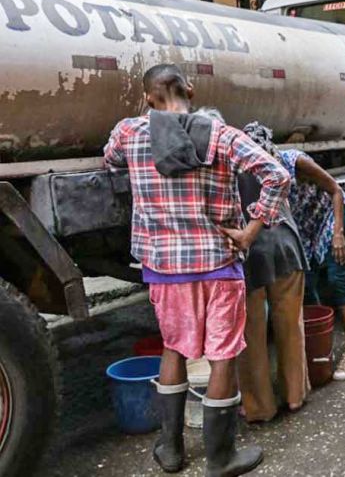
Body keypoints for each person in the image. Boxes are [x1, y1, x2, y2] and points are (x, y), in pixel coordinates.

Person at [103, 65, 287, 476]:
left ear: (148, 98)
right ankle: (220, 458)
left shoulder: (130, 132)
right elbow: (276, 175)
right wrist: (251, 231)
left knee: (174, 348)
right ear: (191, 89)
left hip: (164, 266)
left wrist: (146, 119)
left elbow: (109, 159)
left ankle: (170, 450)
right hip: (219, 263)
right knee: (222, 355)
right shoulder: (221, 134)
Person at [245, 123, 345, 381]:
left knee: (336, 279)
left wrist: (338, 235)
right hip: (304, 228)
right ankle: (318, 348)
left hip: (331, 216)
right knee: (306, 286)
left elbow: (335, 190)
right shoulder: (255, 174)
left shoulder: (294, 161)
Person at [229, 118, 310, 423]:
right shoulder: (274, 163)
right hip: (287, 246)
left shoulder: (228, 168)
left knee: (250, 333)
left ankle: (259, 407)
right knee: (290, 325)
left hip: (251, 250)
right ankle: (295, 395)